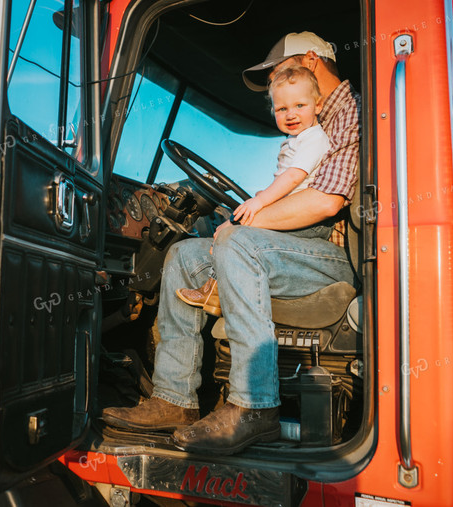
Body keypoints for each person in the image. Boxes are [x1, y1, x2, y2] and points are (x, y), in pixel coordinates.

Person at [102, 31, 360, 455]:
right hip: (290, 246)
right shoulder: (314, 122)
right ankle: (174, 399)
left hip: (326, 254)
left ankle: (255, 406)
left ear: (310, 62)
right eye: (281, 99)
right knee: (185, 255)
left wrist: (244, 223)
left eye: (285, 75)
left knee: (237, 243)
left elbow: (324, 201)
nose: (286, 101)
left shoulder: (348, 112)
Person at [176, 66, 331, 317]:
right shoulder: (296, 140)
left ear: (319, 105)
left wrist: (259, 201)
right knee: (233, 228)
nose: (291, 114)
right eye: (282, 109)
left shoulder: (314, 138)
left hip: (308, 222)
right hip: (291, 211)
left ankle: (214, 289)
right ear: (273, 111)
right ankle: (215, 289)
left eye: (300, 105)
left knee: (235, 234)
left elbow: (293, 177)